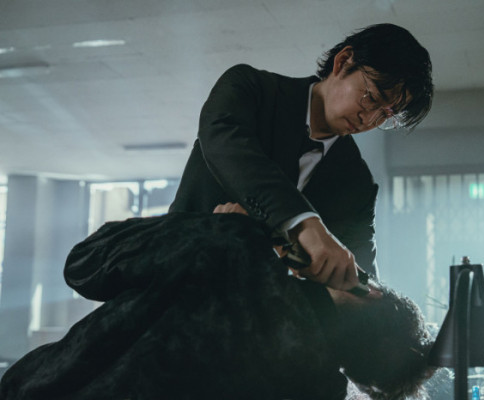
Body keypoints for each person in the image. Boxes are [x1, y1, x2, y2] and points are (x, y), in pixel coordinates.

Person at [0, 212, 435, 400]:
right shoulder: (316, 392)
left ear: (371, 292)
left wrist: (218, 225)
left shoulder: (236, 247)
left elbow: (83, 264)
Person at [169, 23, 434, 291]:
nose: (369, 120)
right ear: (343, 62)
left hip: (265, 310)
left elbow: (361, 281)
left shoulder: (358, 184)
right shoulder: (250, 89)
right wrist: (303, 223)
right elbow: (224, 144)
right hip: (177, 279)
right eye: (371, 98)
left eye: (385, 115)